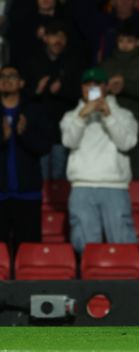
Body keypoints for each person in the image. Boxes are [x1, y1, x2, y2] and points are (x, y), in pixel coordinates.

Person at [60, 67, 138, 253]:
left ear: (105, 88)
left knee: (122, 245)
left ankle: (127, 282)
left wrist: (108, 115)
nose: (92, 88)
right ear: (82, 89)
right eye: (88, 85)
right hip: (82, 185)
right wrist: (81, 116)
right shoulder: (71, 116)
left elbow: (127, 143)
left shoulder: (124, 115)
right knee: (85, 248)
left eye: (97, 84)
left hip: (114, 185)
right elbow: (69, 141)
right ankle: (87, 283)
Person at [21, 20, 86, 180]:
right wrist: (37, 90)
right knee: (39, 177)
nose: (57, 40)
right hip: (38, 131)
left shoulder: (74, 62)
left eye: (61, 36)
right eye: (53, 36)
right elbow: (23, 94)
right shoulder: (33, 61)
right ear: (45, 38)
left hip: (62, 131)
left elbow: (82, 93)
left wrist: (61, 90)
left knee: (59, 178)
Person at [0, 65, 51, 251]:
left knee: (29, 251)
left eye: (12, 76)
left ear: (21, 82)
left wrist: (24, 135)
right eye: (2, 76)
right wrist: (3, 138)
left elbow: (45, 146)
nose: (6, 79)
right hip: (0, 197)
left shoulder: (33, 110)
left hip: (28, 196)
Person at [102, 20, 139, 181]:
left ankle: (137, 205)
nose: (124, 45)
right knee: (111, 173)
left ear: (138, 41)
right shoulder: (108, 64)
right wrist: (104, 90)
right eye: (121, 41)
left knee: (137, 174)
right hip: (110, 129)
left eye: (129, 41)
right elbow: (91, 92)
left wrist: (125, 86)